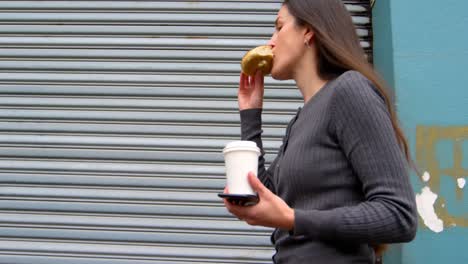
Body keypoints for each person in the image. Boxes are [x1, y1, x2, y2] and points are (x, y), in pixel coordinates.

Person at [221, 0, 418, 263]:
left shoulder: (349, 91)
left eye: (279, 27)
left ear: (308, 31)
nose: (271, 42)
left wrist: (294, 219)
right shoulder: (301, 118)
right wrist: (250, 114)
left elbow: (399, 216)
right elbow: (266, 195)